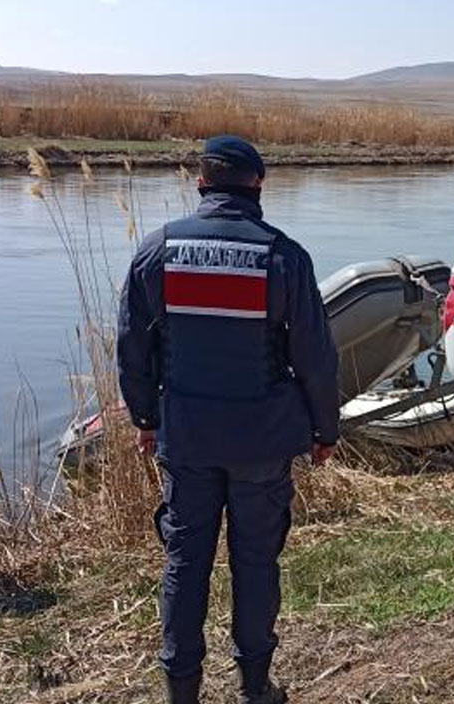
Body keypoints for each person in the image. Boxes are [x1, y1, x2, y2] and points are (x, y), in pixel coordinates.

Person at [117, 136, 339, 703]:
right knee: (257, 562)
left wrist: (145, 417)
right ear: (258, 185)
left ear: (200, 185)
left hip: (186, 438)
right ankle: (256, 688)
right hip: (261, 443)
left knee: (186, 563)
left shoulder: (157, 250)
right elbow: (315, 355)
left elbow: (132, 350)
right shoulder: (283, 256)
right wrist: (324, 430)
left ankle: (181, 693)